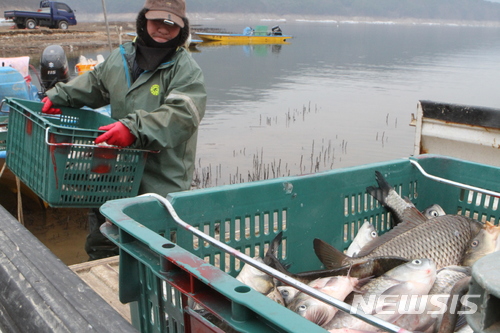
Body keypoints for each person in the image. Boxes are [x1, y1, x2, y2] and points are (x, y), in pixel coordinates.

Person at [41, 0, 207, 260]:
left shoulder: (185, 69)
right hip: (119, 173)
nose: (163, 29)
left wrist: (133, 128)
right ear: (144, 20)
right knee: (105, 238)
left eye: (171, 24)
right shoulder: (121, 57)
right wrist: (59, 95)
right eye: (156, 21)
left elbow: (183, 114)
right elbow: (96, 84)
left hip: (161, 178)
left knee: (156, 249)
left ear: (181, 29)